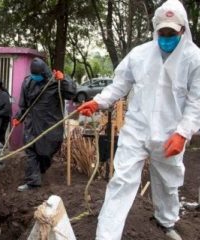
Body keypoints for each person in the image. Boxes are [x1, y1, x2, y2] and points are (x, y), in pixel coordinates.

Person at [77, 1, 200, 239]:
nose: (166, 37)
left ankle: (166, 221)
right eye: (162, 32)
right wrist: (98, 101)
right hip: (137, 130)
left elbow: (197, 102)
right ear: (155, 29)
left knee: (167, 182)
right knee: (121, 180)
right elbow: (119, 85)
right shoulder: (139, 55)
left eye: (171, 33)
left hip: (170, 134)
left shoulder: (195, 59)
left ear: (183, 29)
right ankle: (106, 235)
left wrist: (183, 133)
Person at [13, 58, 76, 192]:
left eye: (38, 75)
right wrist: (18, 117)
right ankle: (32, 182)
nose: (35, 77)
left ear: (44, 72)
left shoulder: (56, 82)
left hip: (50, 125)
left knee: (46, 152)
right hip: (32, 123)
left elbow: (71, 93)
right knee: (31, 150)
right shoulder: (28, 82)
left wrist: (64, 79)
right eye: (33, 74)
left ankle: (41, 169)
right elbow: (24, 105)